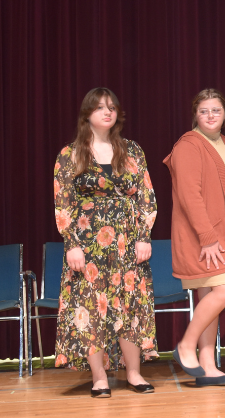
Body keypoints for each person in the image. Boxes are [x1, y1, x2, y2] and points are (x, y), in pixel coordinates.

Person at [53, 87, 158, 398]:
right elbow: (63, 203)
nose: (107, 112)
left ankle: (134, 374)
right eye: (100, 107)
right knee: (90, 308)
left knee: (130, 307)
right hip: (88, 245)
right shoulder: (69, 153)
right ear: (88, 114)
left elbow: (146, 197)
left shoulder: (133, 151)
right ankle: (99, 378)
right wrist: (71, 243)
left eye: (111, 107)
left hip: (127, 243)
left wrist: (143, 236)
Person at [165, 88, 225, 386]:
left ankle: (207, 366)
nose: (210, 115)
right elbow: (190, 195)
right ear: (195, 115)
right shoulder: (188, 145)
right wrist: (207, 236)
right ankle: (186, 346)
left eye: (216, 110)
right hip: (203, 237)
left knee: (210, 299)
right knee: (224, 290)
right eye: (204, 111)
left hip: (223, 236)